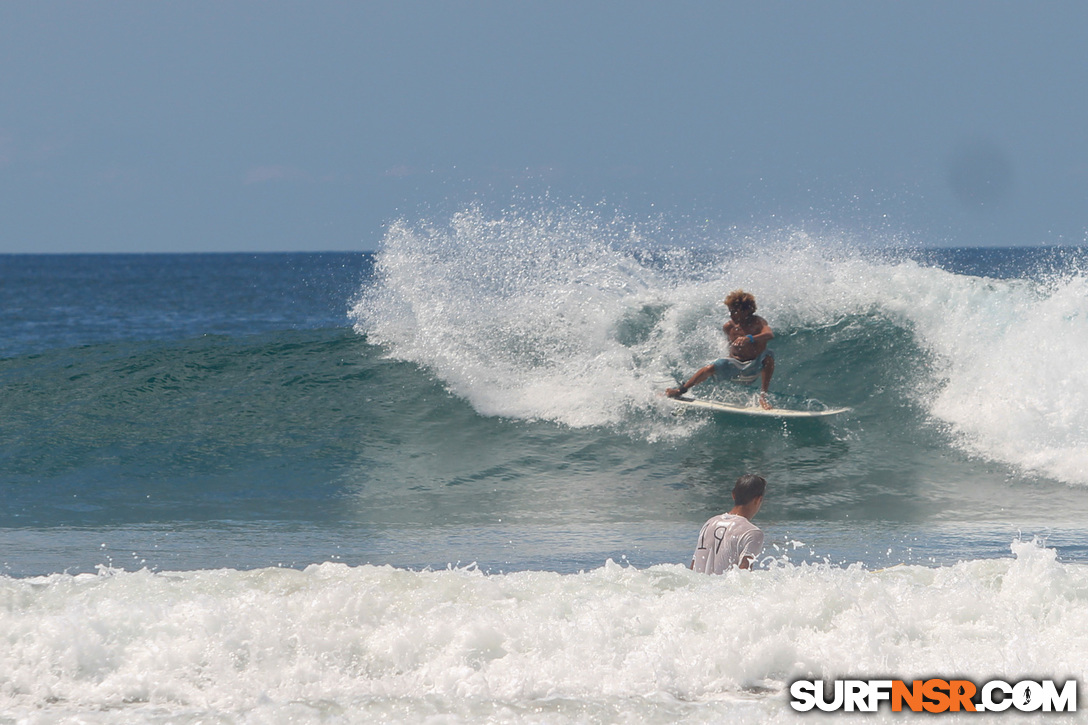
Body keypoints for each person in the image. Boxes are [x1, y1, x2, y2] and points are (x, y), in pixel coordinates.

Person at [665, 289, 775, 409]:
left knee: (768, 357)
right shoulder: (729, 327)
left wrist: (749, 338)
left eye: (735, 311)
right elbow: (731, 347)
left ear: (747, 310)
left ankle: (763, 397)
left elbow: (769, 334)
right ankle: (680, 390)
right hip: (736, 364)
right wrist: (725, 363)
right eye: (730, 311)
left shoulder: (758, 322)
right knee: (710, 367)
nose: (731, 315)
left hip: (755, 363)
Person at [690, 473, 766, 573]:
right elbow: (744, 576)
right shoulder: (752, 533)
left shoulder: (709, 523)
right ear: (758, 499)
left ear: (733, 495)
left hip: (696, 588)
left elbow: (691, 569)